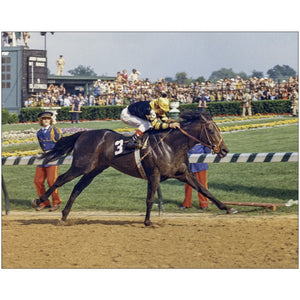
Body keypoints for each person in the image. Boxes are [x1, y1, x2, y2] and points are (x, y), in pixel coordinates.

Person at [33, 112, 62, 211]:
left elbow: (61, 144)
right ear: (41, 120)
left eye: (48, 119)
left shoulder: (55, 131)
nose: (46, 120)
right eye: (44, 119)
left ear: (51, 120)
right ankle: (44, 202)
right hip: (43, 158)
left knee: (51, 181)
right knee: (38, 181)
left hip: (53, 158)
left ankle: (56, 202)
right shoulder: (39, 132)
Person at [180, 144, 211, 210]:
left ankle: (204, 204)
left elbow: (207, 150)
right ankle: (186, 204)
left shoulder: (202, 137)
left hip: (200, 165)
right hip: (189, 165)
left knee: (202, 185)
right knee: (188, 185)